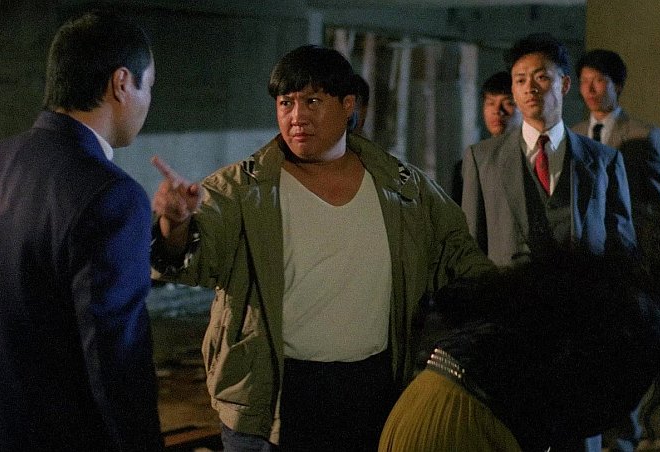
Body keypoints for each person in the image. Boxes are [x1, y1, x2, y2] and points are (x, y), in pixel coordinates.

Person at [149, 44, 494, 452]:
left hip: (374, 387)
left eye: (312, 101)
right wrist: (175, 222)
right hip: (272, 393)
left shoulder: (403, 189)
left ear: (348, 105)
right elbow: (191, 259)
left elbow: (458, 258)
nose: (297, 116)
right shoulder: (241, 189)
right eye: (286, 103)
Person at [0, 9, 162, 451]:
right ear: (122, 83)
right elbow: (117, 365)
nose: (147, 103)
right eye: (149, 87)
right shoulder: (111, 196)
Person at [379, 219, 660, 452]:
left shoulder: (614, 285)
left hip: (423, 402)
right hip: (462, 426)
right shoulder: (636, 327)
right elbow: (567, 412)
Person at [461, 33, 636, 268]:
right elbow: (471, 249)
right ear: (513, 89)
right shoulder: (482, 159)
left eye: (541, 77)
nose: (530, 88)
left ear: (564, 84)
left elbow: (623, 251)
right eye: (520, 80)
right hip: (508, 289)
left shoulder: (604, 159)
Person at [573, 49, 660, 232]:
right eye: (584, 81)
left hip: (628, 234)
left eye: (599, 80)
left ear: (617, 86)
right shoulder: (575, 134)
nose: (590, 89)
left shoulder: (643, 135)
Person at [451, 70, 522, 203]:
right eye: (490, 103)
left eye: (508, 103)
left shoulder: (533, 160)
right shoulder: (467, 166)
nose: (497, 111)